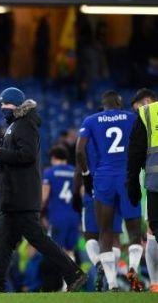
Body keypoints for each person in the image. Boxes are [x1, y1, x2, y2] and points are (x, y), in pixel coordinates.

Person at [0, 87, 86, 293]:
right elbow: (16, 155)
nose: (2, 107)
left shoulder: (25, 125)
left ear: (16, 104)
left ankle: (73, 273)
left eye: (5, 103)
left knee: (39, 240)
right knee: (1, 242)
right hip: (13, 197)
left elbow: (26, 155)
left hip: (22, 197)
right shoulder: (16, 125)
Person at [76, 90, 143, 291]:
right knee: (133, 231)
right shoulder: (132, 117)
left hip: (103, 179)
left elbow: (79, 150)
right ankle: (132, 268)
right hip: (127, 177)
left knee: (104, 232)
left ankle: (112, 284)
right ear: (119, 101)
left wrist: (87, 174)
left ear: (103, 104)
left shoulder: (90, 120)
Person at [127, 88, 158, 293]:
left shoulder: (147, 114)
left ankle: (156, 284)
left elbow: (135, 152)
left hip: (156, 183)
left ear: (146, 101)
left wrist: (132, 183)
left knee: (154, 229)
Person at [41, 145, 80, 259]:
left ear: (53, 158)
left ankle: (59, 276)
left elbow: (44, 197)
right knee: (70, 250)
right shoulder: (74, 172)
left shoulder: (49, 172)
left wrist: (39, 212)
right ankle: (72, 275)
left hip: (57, 217)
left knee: (56, 251)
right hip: (74, 216)